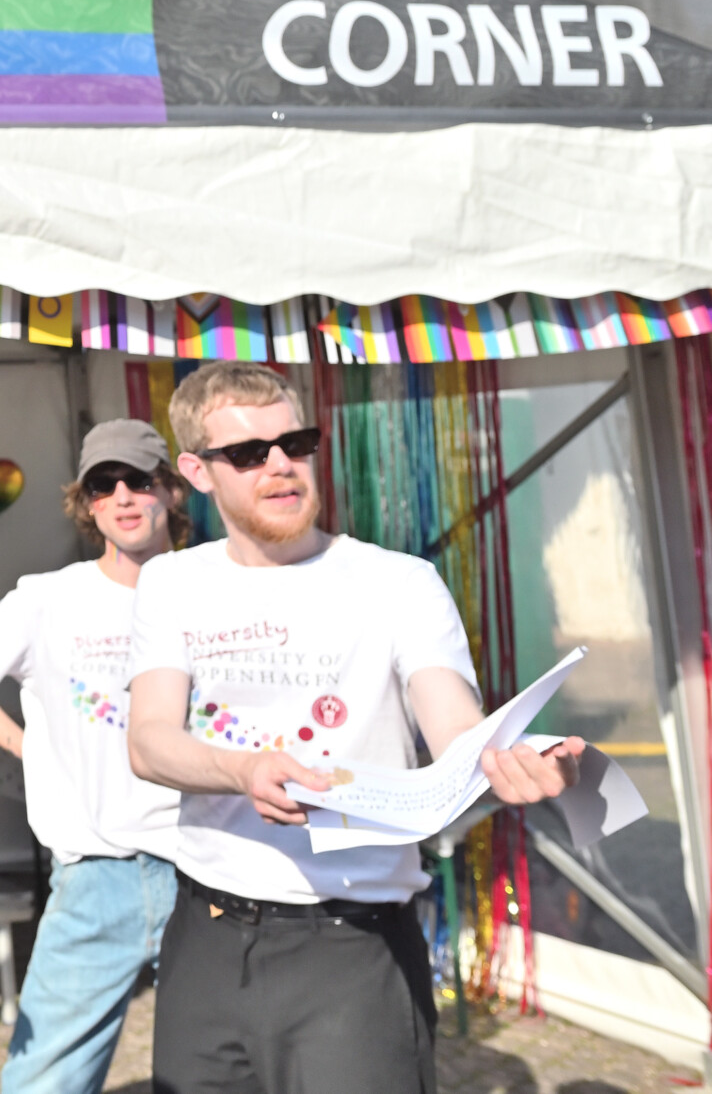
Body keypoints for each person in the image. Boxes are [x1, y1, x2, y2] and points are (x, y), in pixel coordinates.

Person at [127, 361, 584, 1094]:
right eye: (248, 454)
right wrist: (241, 770)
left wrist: (522, 760)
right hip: (206, 936)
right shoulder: (173, 581)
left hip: (352, 944)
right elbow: (148, 739)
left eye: (296, 443)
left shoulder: (398, 582)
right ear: (198, 472)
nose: (280, 466)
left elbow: (460, 735)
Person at [0, 419, 188, 1094]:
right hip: (96, 875)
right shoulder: (48, 598)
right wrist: (26, 746)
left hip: (209, 865)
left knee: (222, 1071)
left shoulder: (213, 589)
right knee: (45, 1081)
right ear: (88, 502)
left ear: (170, 490)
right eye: (105, 484)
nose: (124, 496)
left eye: (139, 479)